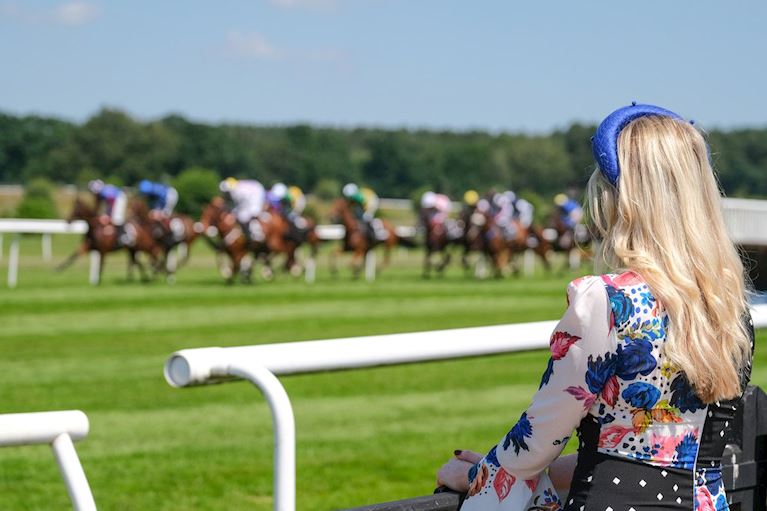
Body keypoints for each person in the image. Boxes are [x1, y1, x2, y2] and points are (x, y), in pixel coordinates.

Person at [437, 103, 754, 510]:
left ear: (622, 200)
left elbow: (533, 446)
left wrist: (474, 475)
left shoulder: (604, 300)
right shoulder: (729, 306)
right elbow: (655, 447)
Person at [219, 177, 266, 243]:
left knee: (245, 216)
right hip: (252, 194)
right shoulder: (235, 189)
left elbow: (241, 205)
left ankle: (256, 234)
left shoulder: (239, 192)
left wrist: (234, 213)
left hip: (256, 195)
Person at [88, 179, 132, 245]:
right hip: (113, 201)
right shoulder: (101, 192)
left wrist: (109, 216)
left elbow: (112, 204)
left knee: (116, 218)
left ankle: (124, 236)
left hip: (119, 199)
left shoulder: (105, 193)